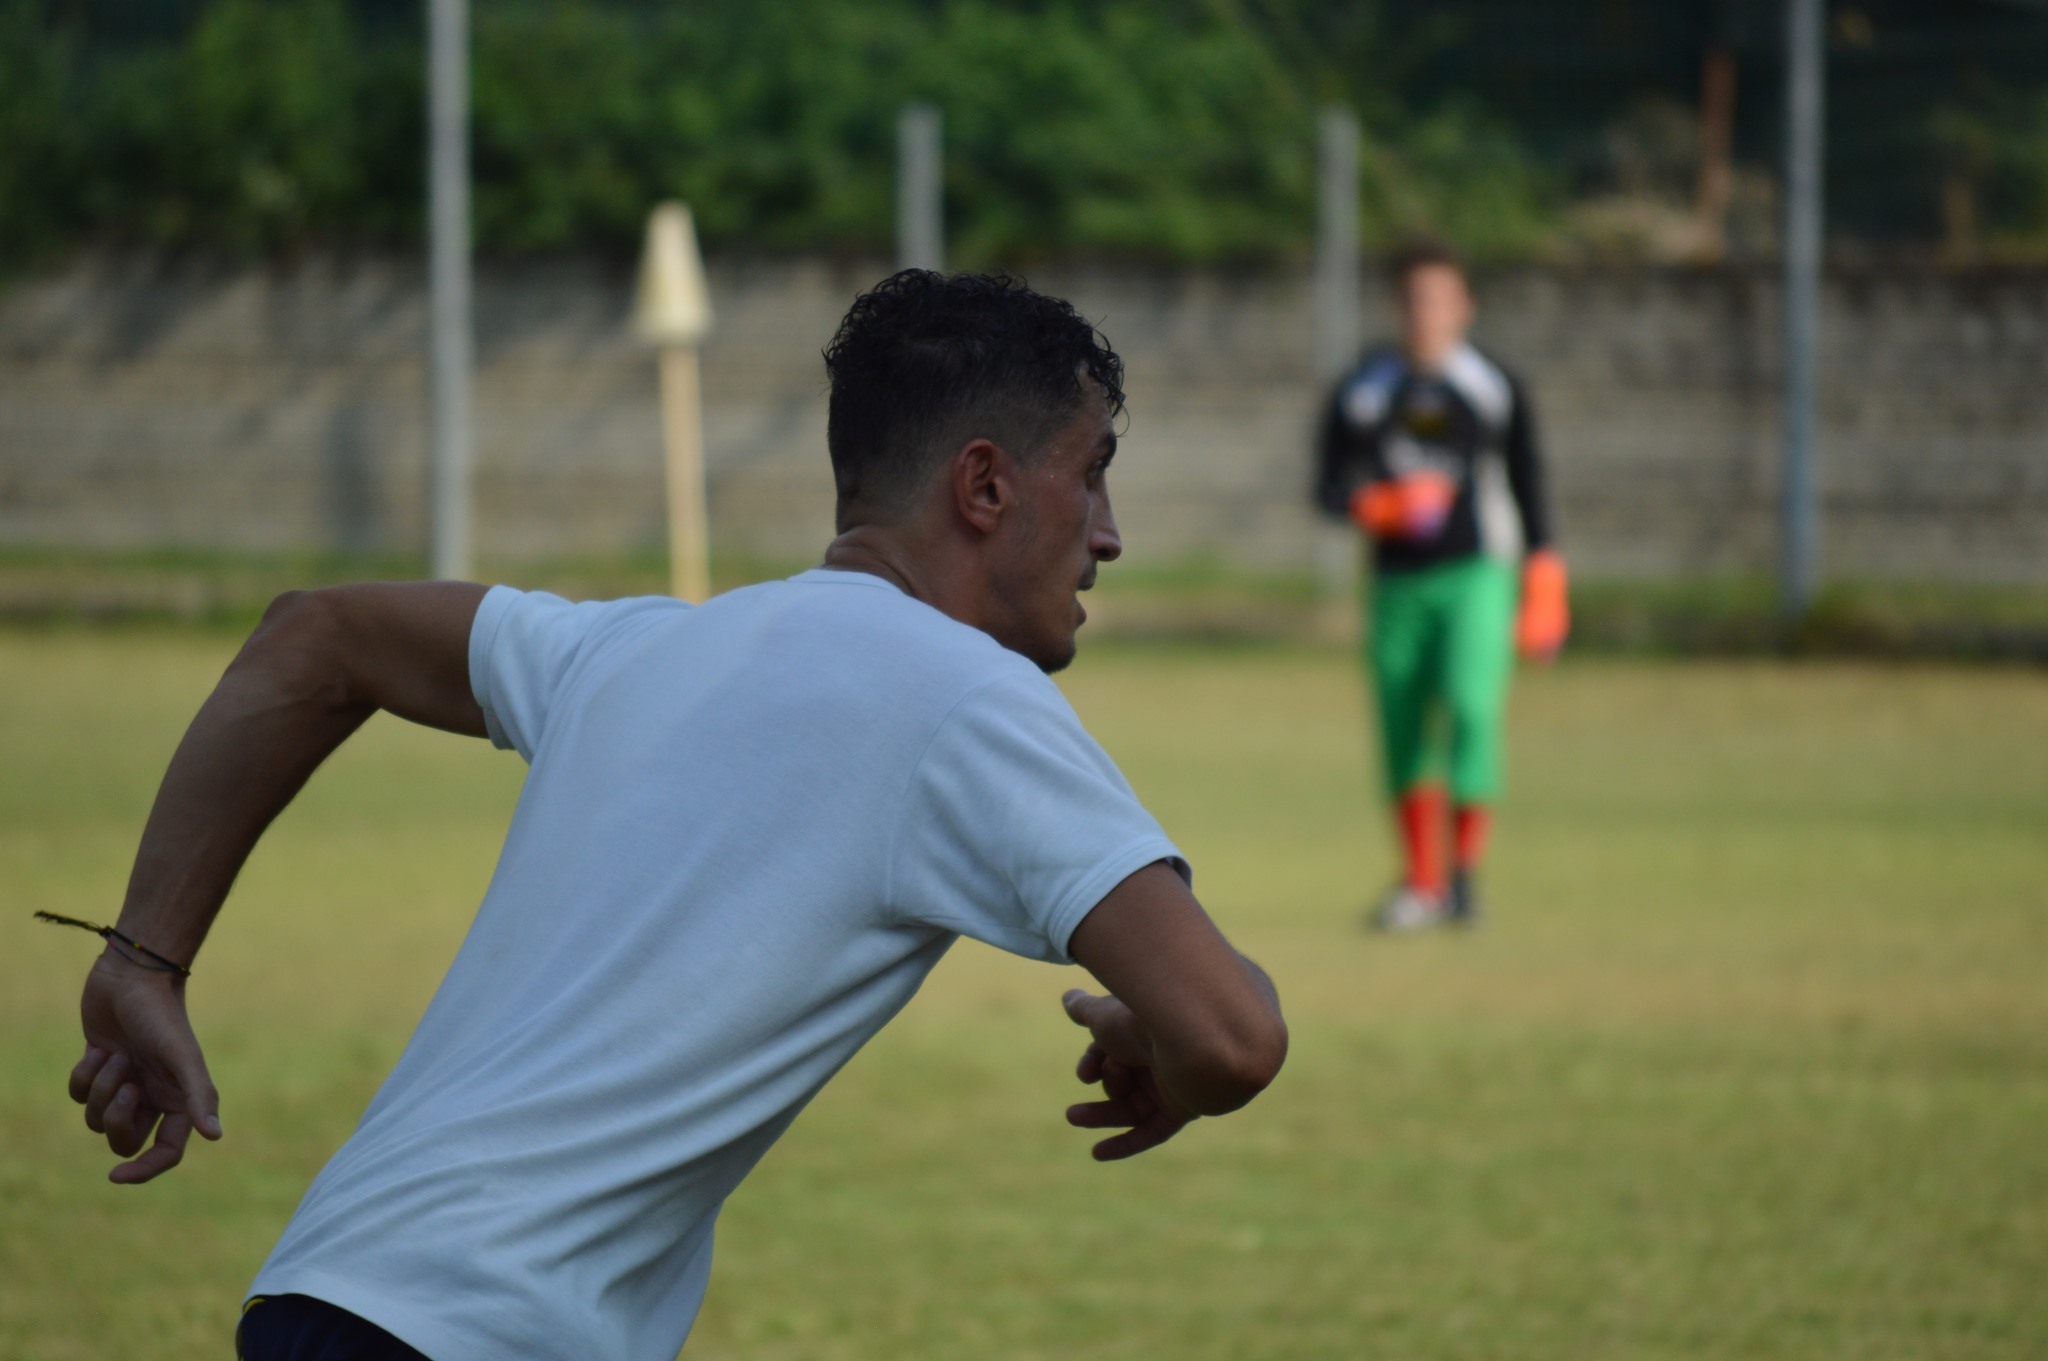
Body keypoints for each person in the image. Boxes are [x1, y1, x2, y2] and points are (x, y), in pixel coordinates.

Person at [59, 270, 1287, 1361]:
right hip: (482, 1330)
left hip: (329, 1284)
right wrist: (1169, 1045)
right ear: (982, 485)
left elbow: (309, 638)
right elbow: (1233, 1035)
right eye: (1092, 474)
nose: (1109, 534)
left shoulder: (640, 647)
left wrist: (141, 957)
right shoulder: (967, 698)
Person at [1313, 239, 1568, 932]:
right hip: (1396, 584)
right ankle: (1421, 884)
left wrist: (1545, 577)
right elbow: (1327, 487)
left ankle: (1463, 880)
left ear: (1464, 308)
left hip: (1477, 574)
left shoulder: (1492, 385)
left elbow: (1529, 481)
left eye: (1438, 300)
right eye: (1413, 299)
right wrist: (1378, 506)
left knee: (1470, 708)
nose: (1425, 313)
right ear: (1396, 306)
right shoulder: (1364, 389)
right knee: (1402, 726)